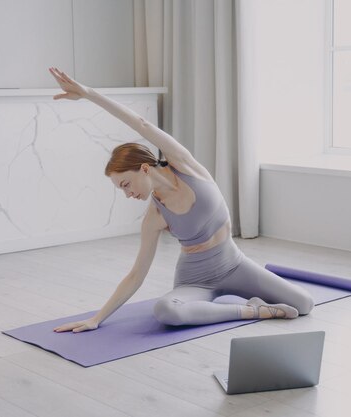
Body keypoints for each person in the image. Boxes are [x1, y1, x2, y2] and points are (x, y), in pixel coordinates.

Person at [49, 67, 314, 333]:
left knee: (303, 303)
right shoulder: (154, 216)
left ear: (143, 168)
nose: (128, 194)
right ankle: (251, 310)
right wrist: (96, 318)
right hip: (195, 281)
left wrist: (89, 94)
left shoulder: (186, 166)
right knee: (166, 310)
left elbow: (141, 124)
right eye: (122, 190)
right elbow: (136, 275)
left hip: (235, 265)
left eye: (126, 184)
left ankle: (236, 305)